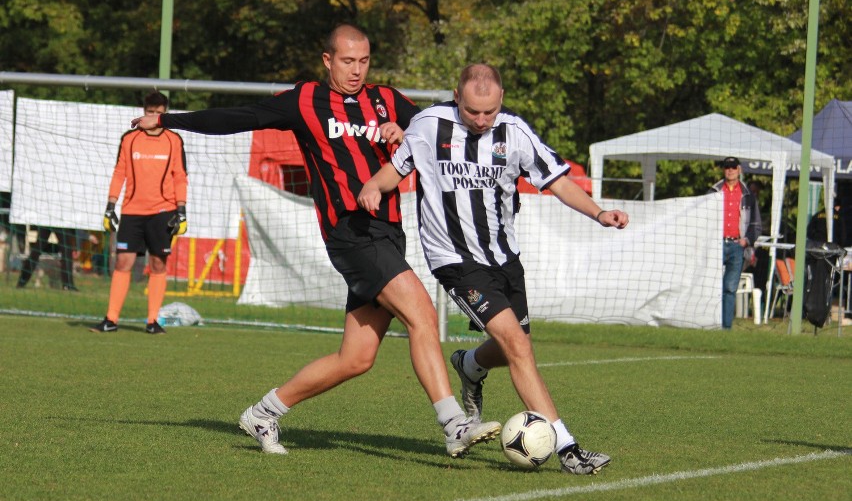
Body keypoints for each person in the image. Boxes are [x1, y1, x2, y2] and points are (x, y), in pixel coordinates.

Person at [130, 23, 500, 458]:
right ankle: (454, 424)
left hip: (388, 233)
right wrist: (169, 120)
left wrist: (406, 131)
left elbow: (436, 122)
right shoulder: (305, 100)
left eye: (363, 61)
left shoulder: (387, 100)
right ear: (328, 60)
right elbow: (240, 117)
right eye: (347, 61)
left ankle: (263, 413)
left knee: (357, 358)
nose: (357, 70)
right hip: (350, 233)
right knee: (421, 314)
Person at [358, 63, 629, 475]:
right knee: (519, 348)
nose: (482, 120)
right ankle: (569, 449)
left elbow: (557, 180)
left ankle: (470, 365)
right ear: (456, 96)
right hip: (453, 259)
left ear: (501, 100)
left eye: (490, 111)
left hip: (504, 258)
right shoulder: (429, 125)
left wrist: (599, 212)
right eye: (472, 112)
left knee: (512, 347)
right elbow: (396, 170)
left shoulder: (515, 133)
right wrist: (374, 186)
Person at [90, 91, 189, 335]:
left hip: (163, 212)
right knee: (123, 261)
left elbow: (180, 177)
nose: (154, 116)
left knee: (157, 263)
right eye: (150, 112)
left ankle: (152, 321)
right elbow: (119, 172)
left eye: (159, 112)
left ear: (165, 113)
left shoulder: (174, 140)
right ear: (144, 112)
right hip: (132, 211)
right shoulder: (130, 138)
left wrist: (182, 209)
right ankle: (111, 319)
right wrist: (110, 206)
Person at [709, 157, 759, 329]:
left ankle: (725, 327)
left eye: (732, 167)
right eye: (726, 167)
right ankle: (709, 323)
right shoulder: (713, 192)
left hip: (737, 246)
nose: (729, 170)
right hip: (716, 244)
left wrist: (746, 241)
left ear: (739, 169)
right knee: (710, 285)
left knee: (730, 288)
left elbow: (755, 224)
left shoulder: (748, 195)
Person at [16, 226, 77, 291]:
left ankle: (68, 285)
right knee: (38, 249)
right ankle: (22, 281)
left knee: (66, 249)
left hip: (56, 222)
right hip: (50, 221)